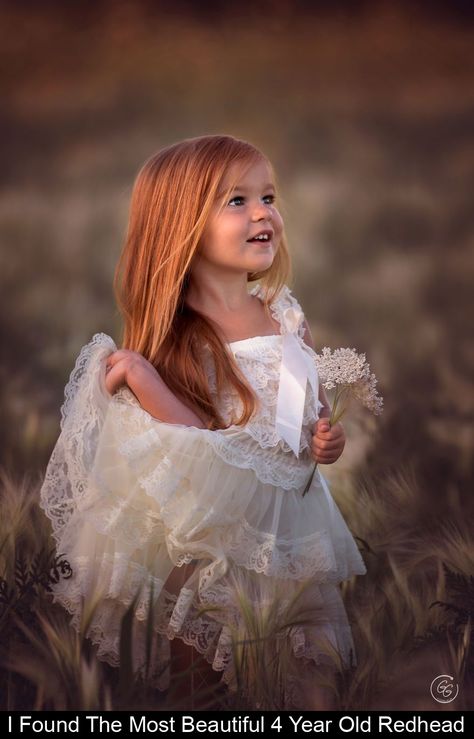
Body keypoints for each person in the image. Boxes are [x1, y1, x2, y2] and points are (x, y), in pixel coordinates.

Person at [39, 134, 367, 710]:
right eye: (236, 201)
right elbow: (190, 448)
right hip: (212, 542)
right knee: (206, 687)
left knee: (300, 676)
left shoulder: (285, 316)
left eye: (268, 195)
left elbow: (301, 418)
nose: (264, 211)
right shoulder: (181, 335)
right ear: (182, 225)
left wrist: (325, 438)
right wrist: (147, 380)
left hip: (288, 531)